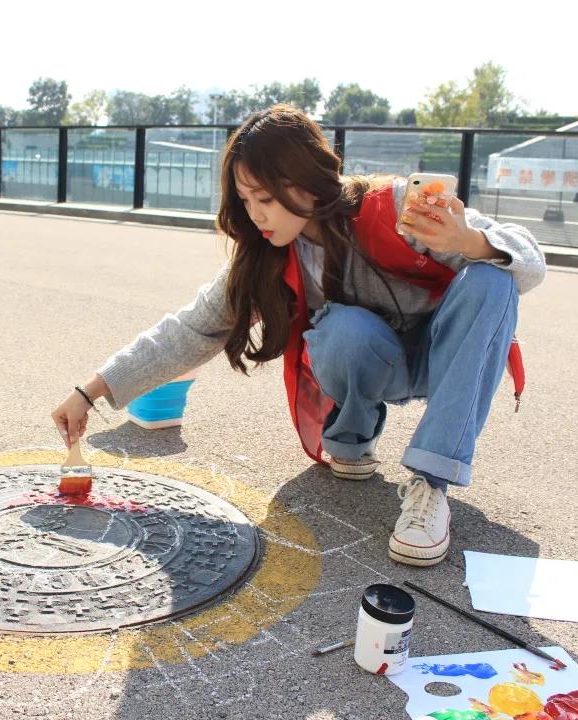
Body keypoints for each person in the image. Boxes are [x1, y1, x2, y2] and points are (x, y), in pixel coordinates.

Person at [52, 104, 545, 567]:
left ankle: (431, 485)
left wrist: (469, 241)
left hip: (449, 362)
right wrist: (89, 391)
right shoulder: (267, 256)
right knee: (341, 328)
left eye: (265, 198)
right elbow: (190, 329)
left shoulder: (394, 205)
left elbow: (530, 258)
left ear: (308, 182)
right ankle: (352, 436)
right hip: (378, 363)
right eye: (246, 200)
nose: (255, 214)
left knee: (493, 277)